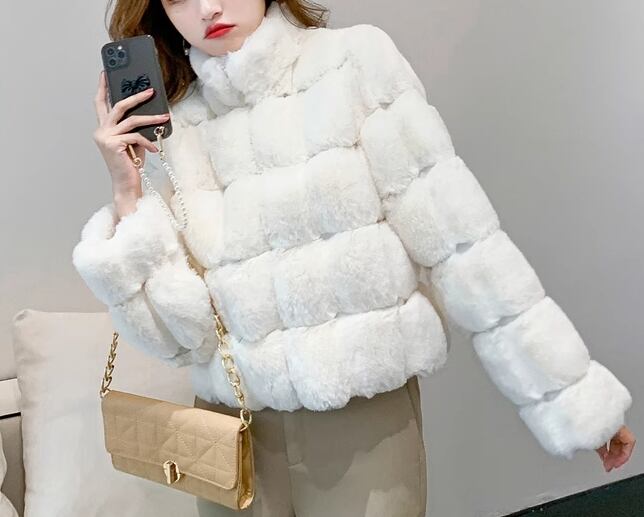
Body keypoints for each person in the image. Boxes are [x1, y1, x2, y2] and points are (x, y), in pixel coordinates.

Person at [72, 0, 636, 515]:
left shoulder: (351, 65)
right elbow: (181, 340)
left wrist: (572, 396)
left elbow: (463, 246)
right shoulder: (177, 127)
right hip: (232, 438)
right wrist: (128, 191)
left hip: (359, 429)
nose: (209, 8)